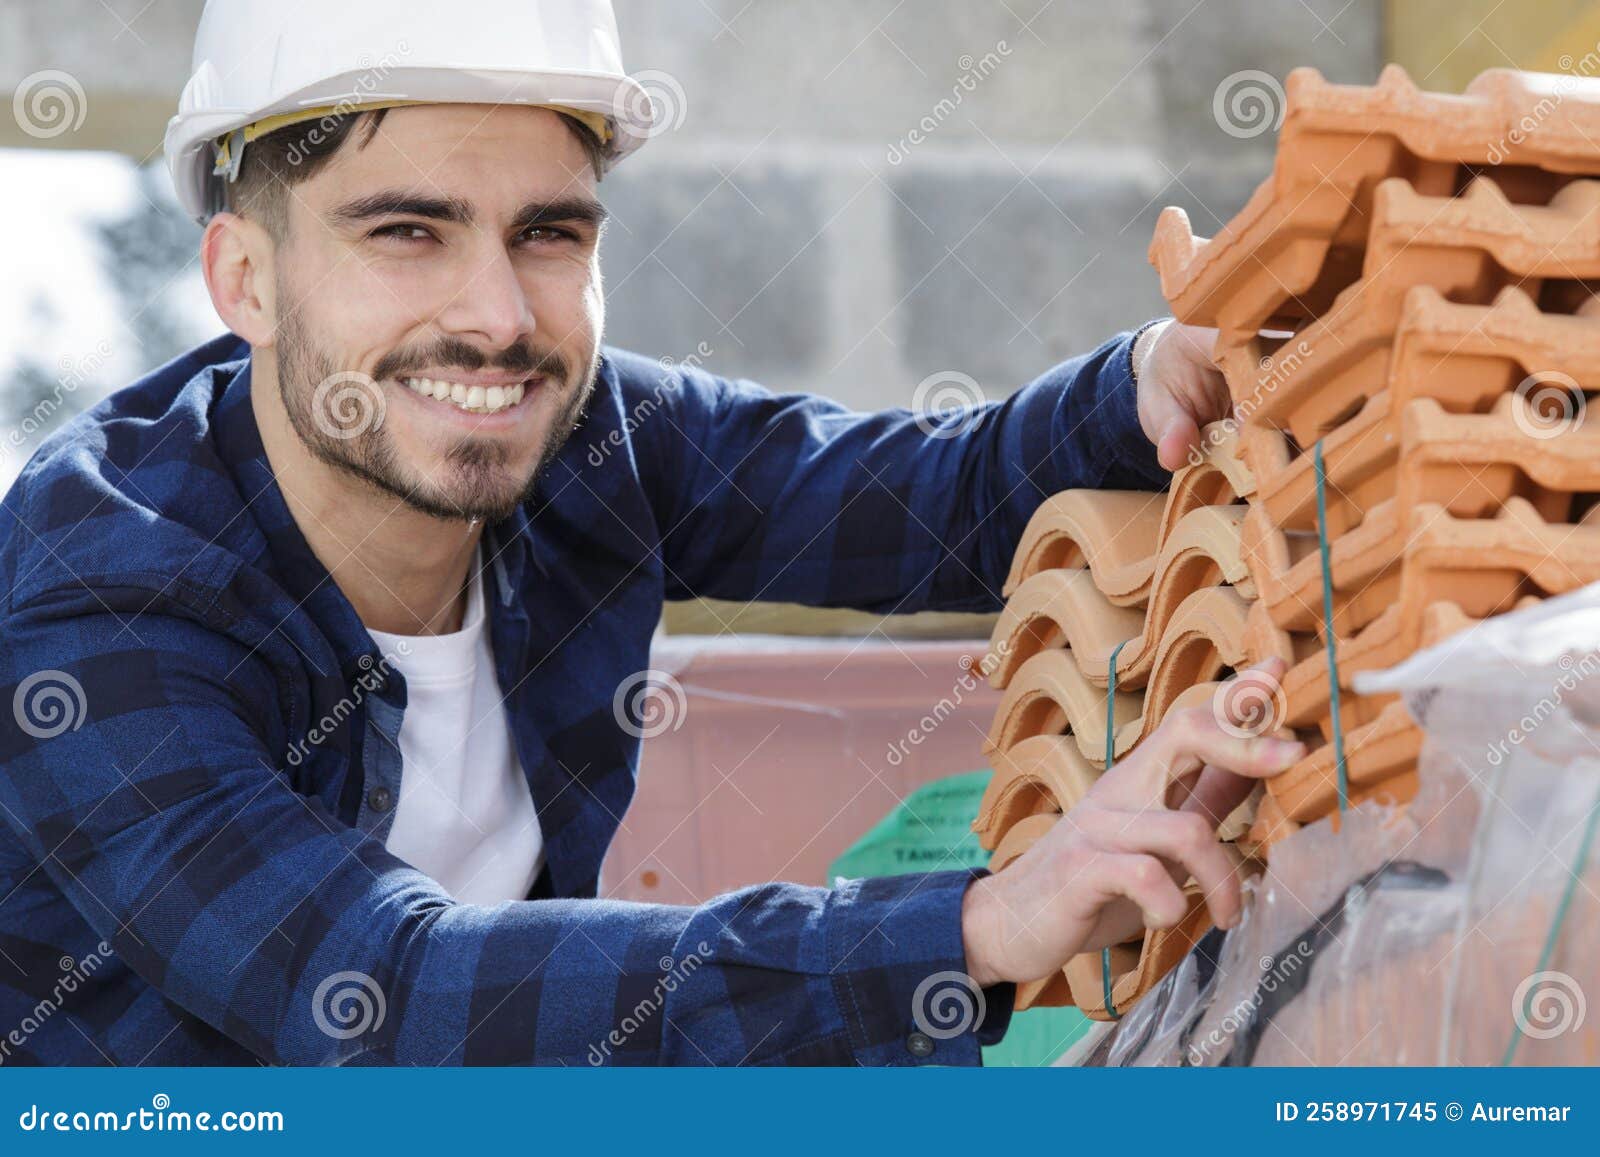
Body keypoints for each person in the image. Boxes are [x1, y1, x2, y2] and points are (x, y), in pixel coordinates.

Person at [0, 0, 1301, 1065]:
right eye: (407, 231)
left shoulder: (586, 436)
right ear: (246, 279)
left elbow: (926, 502)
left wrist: (1145, 382)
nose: (500, 315)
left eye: (548, 233)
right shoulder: (100, 591)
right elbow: (373, 994)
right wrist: (972, 926)